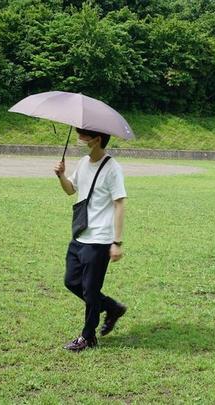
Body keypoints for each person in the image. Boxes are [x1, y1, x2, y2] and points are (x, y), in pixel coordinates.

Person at [53, 127, 128, 352]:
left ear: (96, 140)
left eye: (84, 134)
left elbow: (120, 203)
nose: (79, 136)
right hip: (80, 234)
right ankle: (112, 307)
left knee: (91, 290)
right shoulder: (84, 162)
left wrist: (117, 242)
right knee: (71, 281)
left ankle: (88, 336)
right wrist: (61, 176)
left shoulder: (113, 169)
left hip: (100, 239)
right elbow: (70, 190)